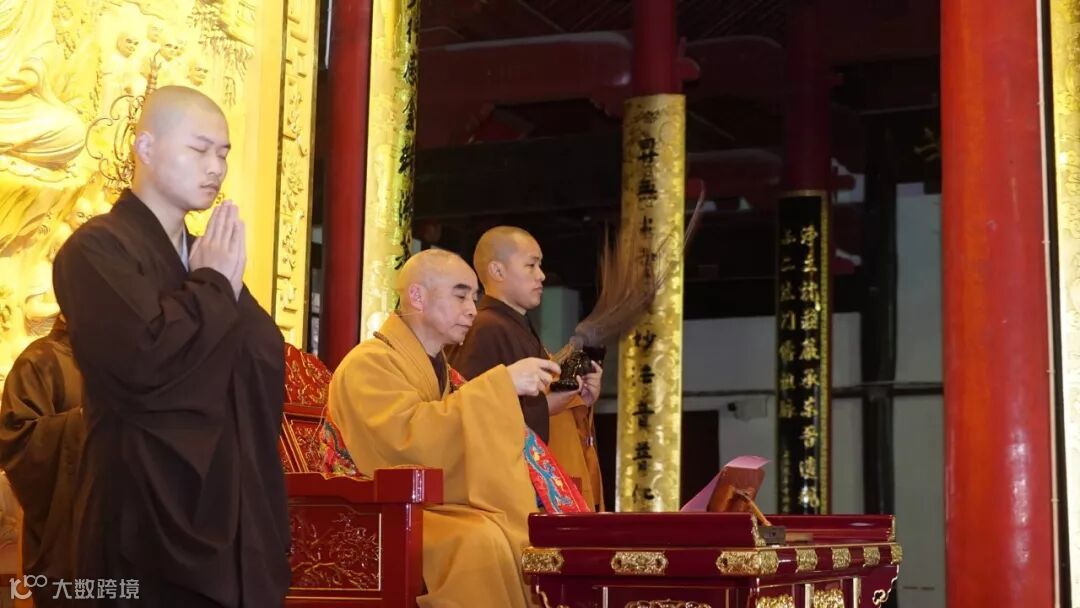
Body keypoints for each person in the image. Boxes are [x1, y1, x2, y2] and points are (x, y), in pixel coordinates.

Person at [51, 85, 289, 607]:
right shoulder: (95, 250)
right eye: (199, 149)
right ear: (146, 147)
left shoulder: (206, 256)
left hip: (228, 503)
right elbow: (145, 362)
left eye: (223, 153)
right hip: (143, 506)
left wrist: (215, 283)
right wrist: (211, 287)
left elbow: (261, 361)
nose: (216, 167)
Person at [328, 248, 561, 608]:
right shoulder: (368, 364)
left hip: (423, 504)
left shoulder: (442, 371)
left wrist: (497, 392)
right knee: (478, 541)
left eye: (474, 298)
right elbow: (405, 442)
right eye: (460, 295)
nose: (472, 309)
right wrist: (502, 385)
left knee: (507, 531)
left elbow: (458, 429)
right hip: (377, 513)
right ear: (417, 296)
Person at [448, 226, 605, 510]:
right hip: (499, 496)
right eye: (531, 265)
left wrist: (578, 397)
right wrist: (547, 407)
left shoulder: (514, 327)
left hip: (526, 487)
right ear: (497, 271)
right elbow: (470, 415)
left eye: (540, 265)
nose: (541, 275)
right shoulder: (485, 328)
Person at [0, 316, 84, 607]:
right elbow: (18, 443)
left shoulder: (121, 362)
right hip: (66, 541)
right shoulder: (38, 362)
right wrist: (85, 421)